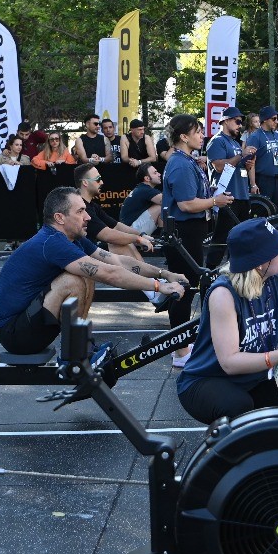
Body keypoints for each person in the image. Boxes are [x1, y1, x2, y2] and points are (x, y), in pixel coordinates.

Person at [0, 187, 185, 356]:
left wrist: (164, 274)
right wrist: (159, 287)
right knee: (74, 279)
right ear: (59, 218)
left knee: (87, 273)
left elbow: (117, 261)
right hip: (15, 333)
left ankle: (81, 346)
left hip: (32, 321)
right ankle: (76, 353)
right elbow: (110, 274)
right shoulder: (52, 242)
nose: (88, 217)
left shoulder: (73, 238)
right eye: (81, 211)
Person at [176, 218, 278, 424]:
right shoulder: (223, 294)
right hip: (206, 381)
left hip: (253, 379)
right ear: (261, 260)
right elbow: (229, 363)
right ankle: (220, 451)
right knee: (239, 407)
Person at [162, 114, 234, 363]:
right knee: (183, 288)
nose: (202, 135)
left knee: (188, 286)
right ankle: (180, 350)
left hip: (190, 231)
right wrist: (215, 201)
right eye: (197, 131)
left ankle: (183, 346)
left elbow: (194, 196)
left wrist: (212, 194)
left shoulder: (187, 160)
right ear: (183, 136)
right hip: (184, 232)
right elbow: (186, 204)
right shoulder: (180, 164)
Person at [75, 164, 155, 263]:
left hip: (89, 253)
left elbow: (116, 225)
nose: (102, 182)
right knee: (117, 242)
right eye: (98, 179)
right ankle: (146, 277)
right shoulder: (81, 206)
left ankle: (148, 277)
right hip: (79, 258)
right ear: (85, 182)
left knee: (124, 240)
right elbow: (107, 235)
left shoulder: (92, 205)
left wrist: (142, 235)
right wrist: (138, 239)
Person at [205, 106, 255, 252]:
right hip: (226, 197)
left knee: (242, 238)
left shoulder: (235, 143)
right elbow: (219, 166)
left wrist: (248, 164)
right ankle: (210, 270)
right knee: (221, 239)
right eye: (237, 121)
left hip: (241, 195)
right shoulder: (217, 141)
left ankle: (237, 270)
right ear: (226, 121)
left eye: (241, 123)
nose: (240, 126)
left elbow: (238, 167)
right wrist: (241, 156)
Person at [246, 105, 278, 212]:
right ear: (265, 120)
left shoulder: (277, 136)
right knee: (264, 211)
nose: (276, 121)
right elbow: (251, 162)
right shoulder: (255, 137)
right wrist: (253, 184)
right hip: (264, 180)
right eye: (273, 119)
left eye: (277, 119)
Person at [118, 163, 163, 237]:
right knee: (161, 207)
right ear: (147, 178)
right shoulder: (145, 190)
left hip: (128, 229)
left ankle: (164, 236)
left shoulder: (142, 188)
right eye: (155, 173)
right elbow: (167, 201)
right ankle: (165, 238)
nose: (159, 174)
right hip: (131, 231)